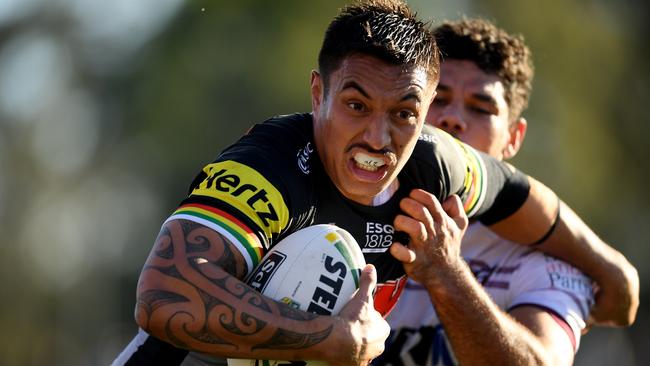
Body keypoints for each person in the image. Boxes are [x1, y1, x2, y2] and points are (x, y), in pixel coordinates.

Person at [112, 2, 636, 365]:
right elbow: (161, 294)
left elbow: (522, 195)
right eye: (356, 105)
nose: (377, 137)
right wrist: (330, 337)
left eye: (405, 113)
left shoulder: (437, 164)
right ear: (318, 94)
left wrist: (610, 269)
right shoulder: (268, 168)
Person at [377, 18, 639, 366]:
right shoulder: (350, 203)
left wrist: (446, 273)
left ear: (514, 137)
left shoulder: (542, 259)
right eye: (438, 99)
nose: (453, 119)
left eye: (481, 108)